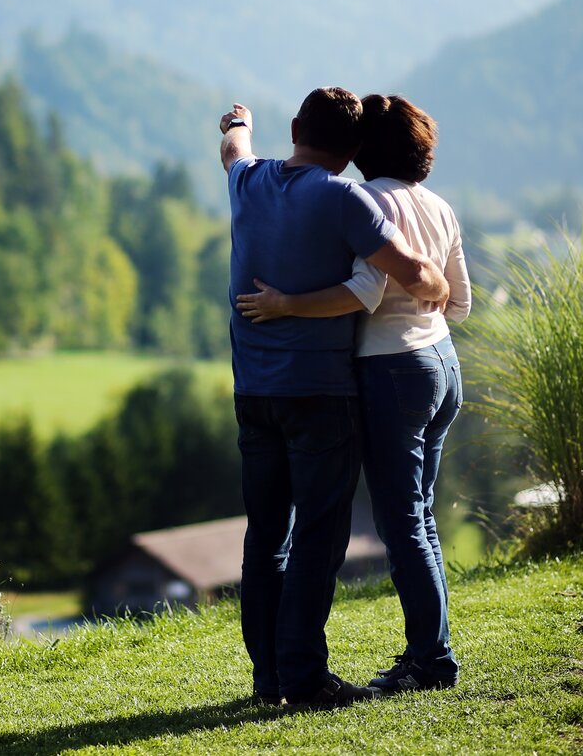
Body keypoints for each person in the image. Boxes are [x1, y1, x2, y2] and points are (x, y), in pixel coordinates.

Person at [219, 89, 449, 711]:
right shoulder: (344, 196)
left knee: (266, 535)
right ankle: (303, 676)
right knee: (320, 535)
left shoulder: (248, 179)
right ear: (352, 153)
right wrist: (435, 283)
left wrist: (239, 121)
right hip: (320, 393)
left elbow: (233, 146)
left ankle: (269, 677)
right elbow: (413, 273)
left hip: (253, 391)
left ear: (295, 127)